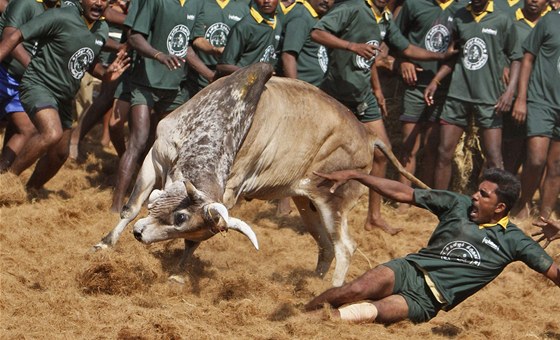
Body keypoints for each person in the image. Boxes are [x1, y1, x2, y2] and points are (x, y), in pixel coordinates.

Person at [305, 168, 559, 324]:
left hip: (427, 300)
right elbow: (404, 193)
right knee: (354, 289)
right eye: (477, 190)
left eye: (484, 195)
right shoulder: (456, 204)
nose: (474, 196)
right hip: (409, 269)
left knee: (366, 313)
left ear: (500, 207)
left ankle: (309, 327)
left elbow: (556, 275)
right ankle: (301, 315)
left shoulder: (515, 240)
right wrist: (356, 175)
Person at [310, 0, 456, 234]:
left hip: (362, 95)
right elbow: (317, 32)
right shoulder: (353, 8)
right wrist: (351, 46)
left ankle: (374, 218)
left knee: (381, 152)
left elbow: (406, 49)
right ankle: (311, 209)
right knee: (319, 152)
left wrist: (440, 56)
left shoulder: (386, 18)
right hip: (336, 94)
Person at [0, 0, 129, 190]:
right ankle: (7, 184)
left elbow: (89, 63)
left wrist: (106, 73)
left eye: (105, 0)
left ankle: (31, 190)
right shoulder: (60, 16)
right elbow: (15, 35)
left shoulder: (101, 29)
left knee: (60, 154)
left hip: (64, 96)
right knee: (51, 133)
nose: (99, 3)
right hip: (38, 85)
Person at [111, 0, 206, 212]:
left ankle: (165, 205)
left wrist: (210, 74)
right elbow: (134, 36)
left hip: (174, 87)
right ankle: (117, 205)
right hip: (144, 82)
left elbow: (186, 47)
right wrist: (158, 55)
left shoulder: (197, 4)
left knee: (173, 147)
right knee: (139, 140)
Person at [424, 0, 522, 190]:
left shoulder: (502, 19)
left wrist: (509, 92)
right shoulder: (460, 16)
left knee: (494, 157)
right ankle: (440, 204)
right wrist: (435, 81)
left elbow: (516, 57)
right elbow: (455, 56)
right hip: (457, 96)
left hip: (489, 100)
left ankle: (496, 208)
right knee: (444, 152)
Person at [393, 0, 466, 209]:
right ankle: (402, 201)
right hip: (415, 84)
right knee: (409, 147)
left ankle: (424, 200)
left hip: (444, 88)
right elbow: (393, 39)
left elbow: (461, 50)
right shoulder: (414, 4)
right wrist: (402, 61)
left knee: (433, 147)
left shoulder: (462, 9)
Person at [0, 0, 61, 172]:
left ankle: (2, 176)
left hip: (23, 81)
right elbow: (9, 37)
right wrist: (33, 67)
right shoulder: (26, 3)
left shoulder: (60, 10)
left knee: (27, 129)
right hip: (4, 72)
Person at [511, 8, 560, 221]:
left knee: (557, 166)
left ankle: (545, 215)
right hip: (541, 100)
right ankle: (523, 203)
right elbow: (527, 59)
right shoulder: (549, 20)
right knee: (536, 159)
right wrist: (521, 98)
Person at [501, 0, 550, 175]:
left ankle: (524, 198)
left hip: (542, 98)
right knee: (510, 150)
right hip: (514, 96)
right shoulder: (509, 18)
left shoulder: (551, 22)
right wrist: (503, 66)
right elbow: (497, 47)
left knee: (534, 155)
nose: (534, 0)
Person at [185, 0, 249, 97]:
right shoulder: (200, 4)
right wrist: (215, 49)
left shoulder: (243, 8)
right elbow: (197, 39)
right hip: (201, 75)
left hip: (231, 74)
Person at [216, 0, 282, 77]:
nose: (266, 1)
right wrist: (252, 72)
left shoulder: (278, 23)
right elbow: (223, 66)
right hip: (242, 83)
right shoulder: (244, 26)